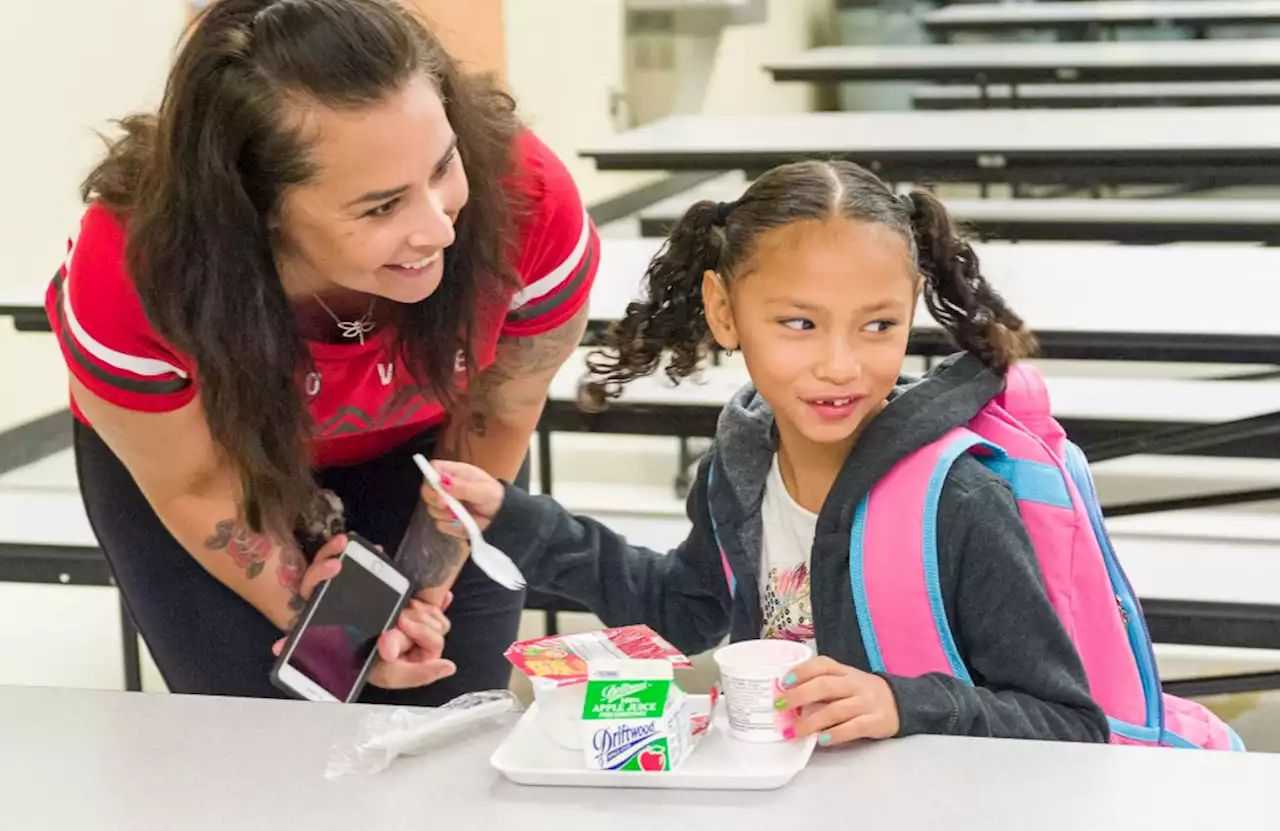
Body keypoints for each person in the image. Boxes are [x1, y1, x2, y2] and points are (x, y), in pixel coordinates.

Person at [419, 160, 1110, 746]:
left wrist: (905, 705)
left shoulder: (955, 500)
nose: (840, 364)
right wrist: (511, 517)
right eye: (799, 324)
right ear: (724, 312)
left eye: (879, 324)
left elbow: (1069, 723)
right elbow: (684, 611)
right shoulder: (738, 468)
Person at [44, 0, 598, 703]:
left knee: (449, 721)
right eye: (380, 205)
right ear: (255, 210)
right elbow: (195, 484)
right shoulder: (133, 271)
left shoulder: (530, 205)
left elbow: (502, 412)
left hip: (435, 453)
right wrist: (335, 625)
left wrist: (417, 597)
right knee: (268, 740)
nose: (437, 228)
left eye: (442, 167)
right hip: (219, 470)